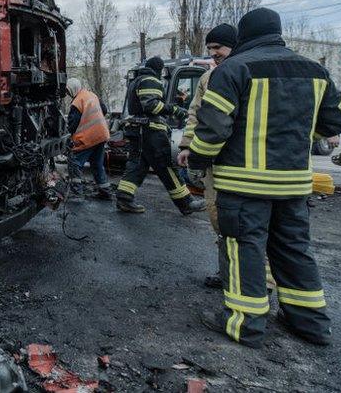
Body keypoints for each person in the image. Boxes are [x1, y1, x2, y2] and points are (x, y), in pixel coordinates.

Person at [188, 8, 341, 348]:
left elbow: (213, 129)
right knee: (293, 249)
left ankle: (245, 325)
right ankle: (310, 323)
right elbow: (336, 121)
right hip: (294, 186)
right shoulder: (316, 71)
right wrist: (295, 136)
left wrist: (198, 159)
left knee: (244, 249)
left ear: (243, 36)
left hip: (242, 185)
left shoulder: (233, 70)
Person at [177, 23, 236, 287]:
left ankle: (244, 285)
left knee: (240, 226)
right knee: (219, 219)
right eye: (210, 48)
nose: (214, 53)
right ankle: (228, 276)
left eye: (218, 47)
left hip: (236, 163)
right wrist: (187, 146)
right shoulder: (208, 78)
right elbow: (195, 115)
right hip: (218, 163)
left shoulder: (245, 72)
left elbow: (216, 124)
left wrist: (199, 155)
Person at [116, 56, 204, 215]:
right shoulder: (151, 80)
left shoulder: (136, 80)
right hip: (151, 131)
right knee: (166, 165)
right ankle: (186, 203)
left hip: (138, 130)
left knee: (137, 165)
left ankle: (124, 198)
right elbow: (151, 105)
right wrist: (175, 109)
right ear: (159, 69)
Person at [66, 78, 113, 199]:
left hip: (89, 137)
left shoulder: (77, 101)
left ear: (72, 89)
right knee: (97, 164)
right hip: (102, 135)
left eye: (68, 91)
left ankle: (76, 192)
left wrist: (68, 136)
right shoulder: (91, 95)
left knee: (74, 163)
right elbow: (104, 110)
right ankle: (105, 191)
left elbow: (72, 124)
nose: (68, 93)